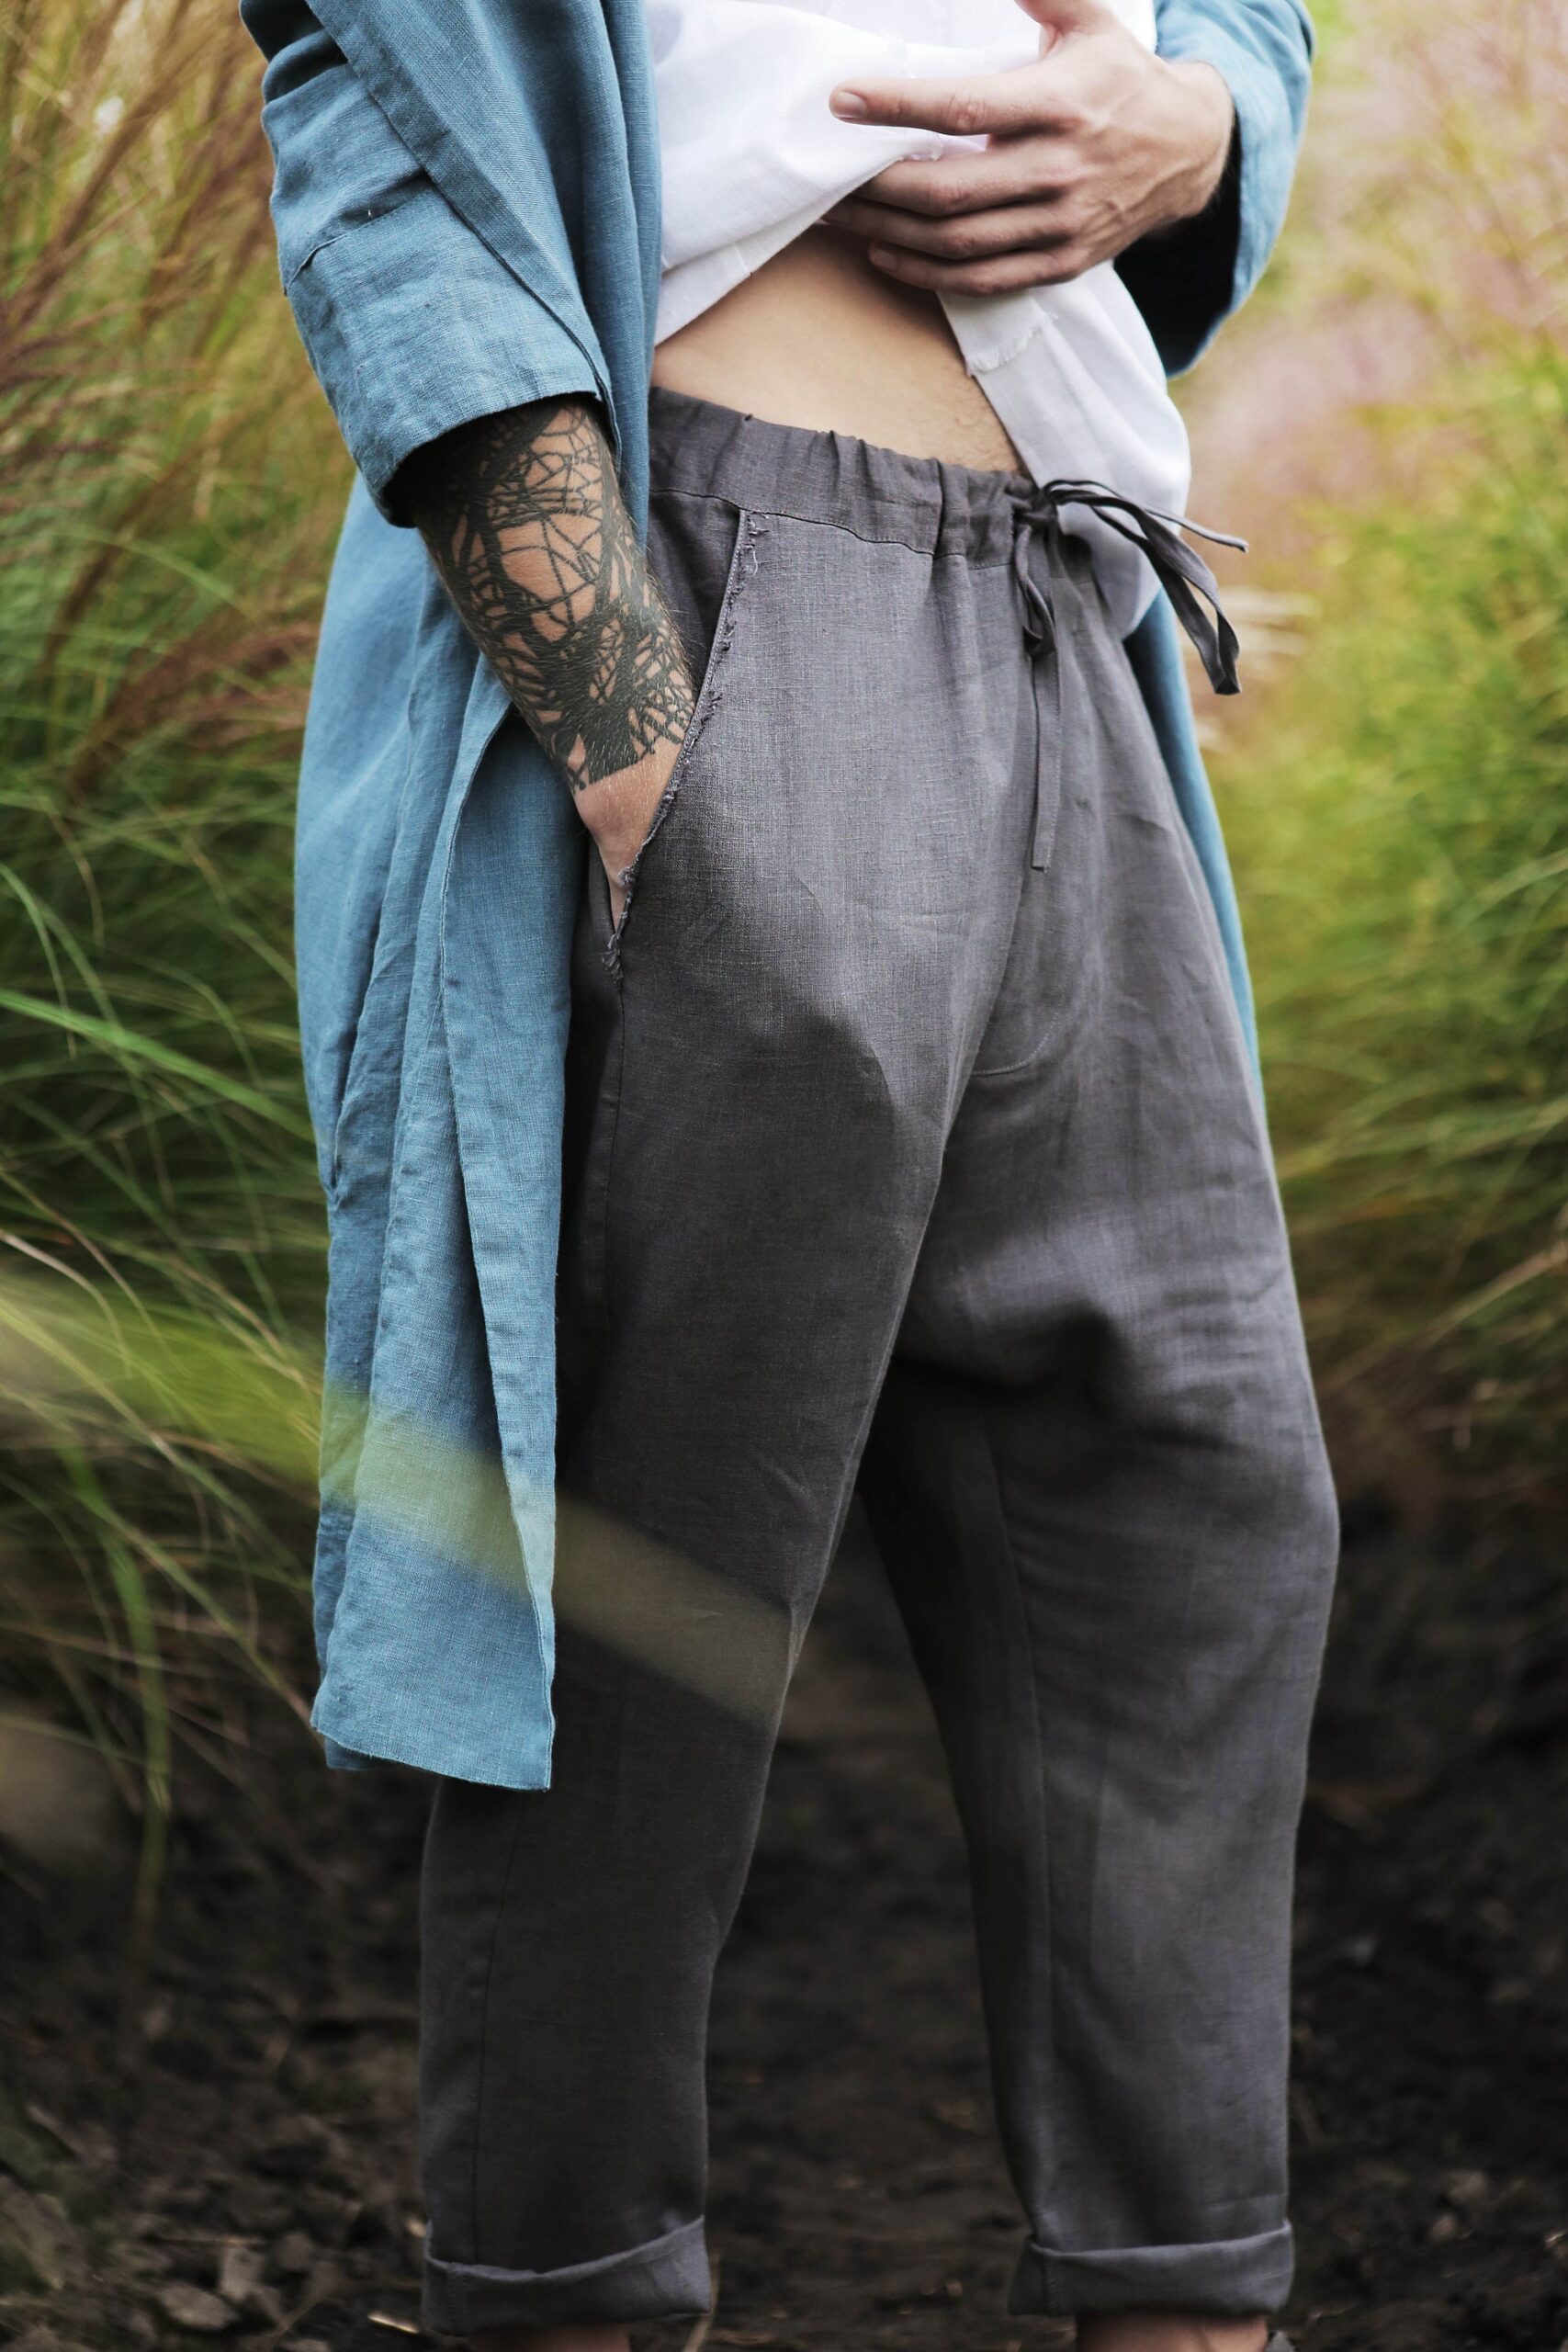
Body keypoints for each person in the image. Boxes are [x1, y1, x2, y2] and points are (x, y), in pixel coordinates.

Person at [241, 4, 1337, 2349]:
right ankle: (564, 2288)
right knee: (639, 1587)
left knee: (1190, 1526)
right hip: (716, 572)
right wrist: (640, 747)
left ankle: (1180, 2295)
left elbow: (1242, 36)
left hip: (1078, 614)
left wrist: (1197, 123)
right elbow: (376, 86)